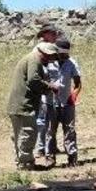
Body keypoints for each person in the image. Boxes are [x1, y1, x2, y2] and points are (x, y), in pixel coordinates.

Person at [6, 42, 59, 170]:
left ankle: (22, 162)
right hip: (24, 105)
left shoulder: (30, 59)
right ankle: (26, 164)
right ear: (45, 54)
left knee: (20, 135)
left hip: (17, 104)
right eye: (49, 57)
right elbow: (33, 80)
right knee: (28, 134)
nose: (49, 61)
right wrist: (50, 86)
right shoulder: (34, 60)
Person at [44, 38, 82, 167]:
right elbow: (41, 80)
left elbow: (77, 84)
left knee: (69, 130)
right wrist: (50, 87)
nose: (63, 56)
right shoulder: (48, 62)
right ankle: (50, 158)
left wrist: (74, 96)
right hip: (50, 102)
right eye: (61, 53)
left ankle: (72, 158)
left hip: (67, 103)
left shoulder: (72, 63)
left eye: (65, 54)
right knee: (50, 131)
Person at [33, 24, 63, 161]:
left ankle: (50, 147)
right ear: (45, 34)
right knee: (42, 121)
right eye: (53, 33)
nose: (55, 36)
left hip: (52, 90)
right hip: (45, 90)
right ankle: (40, 148)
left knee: (52, 120)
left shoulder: (53, 49)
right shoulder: (39, 50)